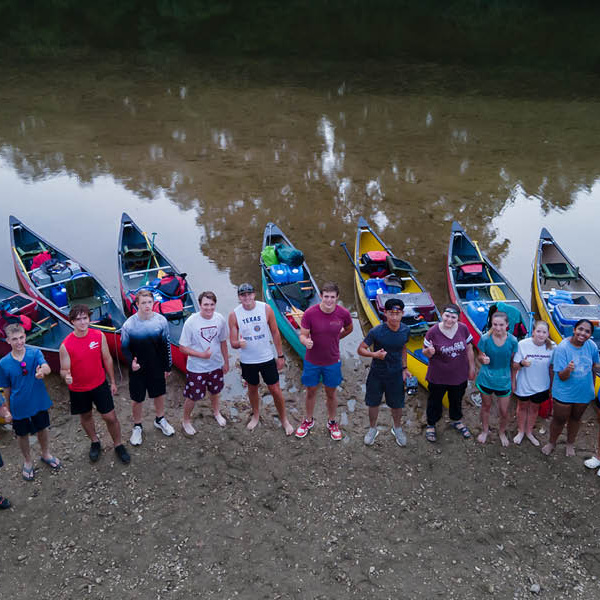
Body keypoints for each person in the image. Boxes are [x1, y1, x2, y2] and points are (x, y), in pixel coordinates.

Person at [60, 304, 130, 463]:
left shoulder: (99, 335)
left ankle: (118, 444)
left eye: (85, 318)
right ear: (72, 322)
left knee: (110, 417)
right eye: (78, 320)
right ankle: (94, 441)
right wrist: (66, 376)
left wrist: (112, 381)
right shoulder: (66, 345)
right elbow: (64, 370)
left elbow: (107, 359)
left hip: (99, 384)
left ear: (89, 319)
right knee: (85, 415)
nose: (82, 322)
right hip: (78, 389)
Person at [229, 283, 294, 435]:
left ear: (254, 295)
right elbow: (232, 343)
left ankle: (284, 419)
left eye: (249, 294)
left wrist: (280, 355)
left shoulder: (265, 308)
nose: (246, 298)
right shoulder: (234, 314)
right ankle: (256, 415)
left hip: (266, 357)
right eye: (243, 295)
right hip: (248, 361)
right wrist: (239, 343)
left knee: (275, 390)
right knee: (252, 389)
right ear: (239, 297)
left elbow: (275, 332)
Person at [0, 323, 61, 481]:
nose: (19, 342)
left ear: (25, 337)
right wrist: (7, 409)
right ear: (8, 341)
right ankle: (27, 461)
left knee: (42, 429)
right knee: (22, 435)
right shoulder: (3, 363)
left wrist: (42, 371)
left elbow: (46, 367)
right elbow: (6, 388)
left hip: (38, 401)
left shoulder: (35, 353)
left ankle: (46, 453)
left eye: (21, 337)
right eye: (15, 339)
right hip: (18, 405)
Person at [296, 281, 353, 441]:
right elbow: (302, 334)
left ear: (337, 297)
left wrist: (336, 338)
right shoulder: (309, 313)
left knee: (331, 393)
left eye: (332, 297)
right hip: (312, 361)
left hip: (332, 361)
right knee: (310, 392)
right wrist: (305, 341)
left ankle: (332, 422)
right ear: (320, 296)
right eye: (326, 296)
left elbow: (349, 328)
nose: (329, 300)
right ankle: (308, 421)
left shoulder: (343, 313)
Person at [121, 289, 175, 446]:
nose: (147, 305)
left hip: (156, 366)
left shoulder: (161, 321)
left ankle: (160, 419)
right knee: (137, 399)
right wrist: (131, 362)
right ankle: (137, 426)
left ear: (153, 303)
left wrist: (167, 366)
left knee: (159, 394)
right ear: (137, 304)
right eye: (143, 303)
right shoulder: (129, 325)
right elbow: (124, 348)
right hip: (138, 368)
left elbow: (166, 345)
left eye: (149, 302)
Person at [542, 319, 600, 457]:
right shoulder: (563, 348)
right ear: (574, 329)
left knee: (576, 418)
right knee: (559, 419)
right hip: (564, 392)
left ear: (591, 334)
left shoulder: (591, 346)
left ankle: (570, 443)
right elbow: (561, 376)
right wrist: (568, 369)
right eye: (580, 329)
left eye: (587, 331)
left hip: (584, 392)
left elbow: (594, 366)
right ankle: (552, 442)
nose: (583, 333)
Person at [357, 298, 410, 446]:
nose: (394, 317)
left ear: (402, 313)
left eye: (397, 313)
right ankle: (372, 429)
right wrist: (375, 355)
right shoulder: (376, 332)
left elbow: (404, 348)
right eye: (391, 313)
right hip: (377, 374)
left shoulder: (406, 330)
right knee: (373, 403)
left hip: (396, 374)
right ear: (385, 313)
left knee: (397, 404)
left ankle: (397, 428)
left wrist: (405, 368)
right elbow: (360, 349)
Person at [422, 303, 475, 443]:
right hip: (437, 376)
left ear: (458, 318)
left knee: (457, 399)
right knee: (434, 401)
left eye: (453, 317)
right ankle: (431, 424)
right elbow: (424, 351)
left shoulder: (463, 329)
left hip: (459, 375)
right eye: (446, 316)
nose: (449, 320)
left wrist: (472, 367)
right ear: (442, 314)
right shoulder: (432, 332)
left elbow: (469, 348)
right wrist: (429, 352)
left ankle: (456, 420)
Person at [179, 291, 229, 435]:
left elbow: (223, 342)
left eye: (212, 305)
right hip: (197, 368)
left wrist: (226, 362)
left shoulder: (220, 319)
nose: (209, 308)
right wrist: (201, 355)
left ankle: (216, 412)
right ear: (200, 305)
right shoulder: (191, 322)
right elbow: (182, 348)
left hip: (215, 365)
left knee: (215, 391)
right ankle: (186, 420)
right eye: (205, 305)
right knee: (193, 396)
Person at [475, 311, 518, 446]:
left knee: (504, 411)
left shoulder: (512, 341)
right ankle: (485, 430)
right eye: (495, 325)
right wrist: (483, 359)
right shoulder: (485, 339)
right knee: (486, 406)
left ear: (507, 325)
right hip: (486, 379)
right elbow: (479, 356)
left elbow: (513, 363)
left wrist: (513, 381)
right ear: (491, 324)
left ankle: (502, 432)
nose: (498, 328)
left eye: (501, 325)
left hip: (504, 381)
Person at [512, 320, 555, 447]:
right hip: (524, 384)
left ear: (548, 334)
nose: (541, 335)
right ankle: (520, 431)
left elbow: (552, 368)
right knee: (522, 407)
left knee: (534, 408)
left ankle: (529, 431)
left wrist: (552, 386)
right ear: (533, 332)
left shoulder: (553, 347)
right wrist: (521, 364)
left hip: (542, 385)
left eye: (544, 332)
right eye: (538, 331)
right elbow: (514, 365)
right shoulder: (523, 344)